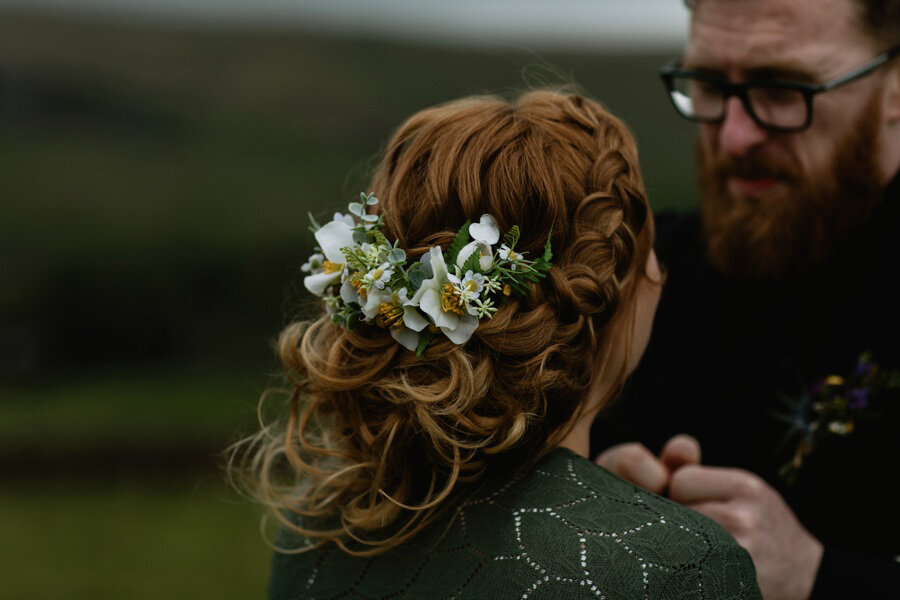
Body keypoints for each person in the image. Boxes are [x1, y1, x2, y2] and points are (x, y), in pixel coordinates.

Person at [229, 89, 762, 598]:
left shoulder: (317, 529)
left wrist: (611, 505)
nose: (661, 275)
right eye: (651, 255)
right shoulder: (680, 567)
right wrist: (642, 530)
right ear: (614, 291)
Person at [590, 0, 900, 598]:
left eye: (784, 89)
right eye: (707, 84)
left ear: (893, 88)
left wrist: (817, 576)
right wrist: (581, 506)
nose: (734, 135)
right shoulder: (634, 281)